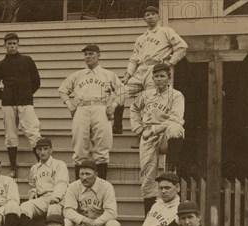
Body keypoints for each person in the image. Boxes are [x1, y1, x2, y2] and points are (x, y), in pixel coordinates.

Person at [113, 5, 187, 146]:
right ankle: (117, 126)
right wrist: (128, 74)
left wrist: (170, 63)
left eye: (153, 14)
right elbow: (134, 57)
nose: (150, 17)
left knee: (149, 101)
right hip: (141, 69)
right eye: (147, 14)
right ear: (144, 18)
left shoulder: (166, 31)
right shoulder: (141, 38)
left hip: (155, 69)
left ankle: (143, 136)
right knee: (120, 92)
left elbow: (182, 47)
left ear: (158, 16)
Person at [58, 44, 124, 180]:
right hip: (81, 108)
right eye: (86, 54)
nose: (88, 57)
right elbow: (62, 90)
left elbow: (122, 91)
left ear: (98, 55)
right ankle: (79, 185)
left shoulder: (108, 74)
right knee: (79, 146)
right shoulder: (77, 75)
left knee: (102, 147)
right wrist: (69, 104)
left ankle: (101, 185)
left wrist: (114, 105)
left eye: (91, 54)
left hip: (101, 108)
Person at [130, 63, 185, 214]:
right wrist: (139, 129)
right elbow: (134, 109)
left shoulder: (176, 95)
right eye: (156, 76)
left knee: (176, 129)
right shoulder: (146, 94)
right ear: (152, 78)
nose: (159, 79)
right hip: (148, 133)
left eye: (162, 76)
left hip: (165, 132)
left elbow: (176, 118)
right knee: (147, 176)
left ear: (169, 78)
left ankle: (171, 169)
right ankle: (149, 217)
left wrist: (154, 130)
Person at [0, 32, 42, 178]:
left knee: (33, 132)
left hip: (25, 103)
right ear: (5, 45)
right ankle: (13, 168)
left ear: (18, 44)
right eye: (9, 44)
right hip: (8, 105)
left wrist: (27, 94)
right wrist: (5, 96)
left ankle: (42, 167)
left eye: (14, 44)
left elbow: (37, 81)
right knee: (11, 135)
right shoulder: (1, 64)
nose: (12, 46)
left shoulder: (27, 60)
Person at [63, 160, 122, 226]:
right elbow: (67, 210)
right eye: (81, 174)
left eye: (88, 174)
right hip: (81, 225)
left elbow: (112, 212)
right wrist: (84, 221)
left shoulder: (106, 186)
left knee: (114, 225)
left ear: (96, 174)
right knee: (66, 223)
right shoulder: (73, 186)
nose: (84, 177)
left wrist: (95, 223)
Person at [15, 138, 69, 226]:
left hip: (57, 197)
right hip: (42, 198)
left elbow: (62, 183)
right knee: (25, 206)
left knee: (53, 211)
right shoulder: (34, 167)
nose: (43, 152)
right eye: (40, 149)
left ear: (51, 150)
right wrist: (34, 191)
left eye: (45, 149)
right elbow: (33, 185)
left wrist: (56, 197)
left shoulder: (59, 164)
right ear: (37, 151)